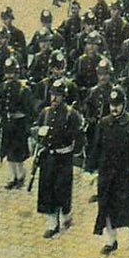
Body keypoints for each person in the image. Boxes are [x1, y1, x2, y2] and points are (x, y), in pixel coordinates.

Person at [88, 86, 129, 255]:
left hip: (125, 175)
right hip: (107, 175)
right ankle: (111, 240)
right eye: (111, 105)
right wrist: (90, 169)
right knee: (105, 208)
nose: (114, 108)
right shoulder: (104, 123)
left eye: (118, 105)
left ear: (124, 105)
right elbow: (96, 147)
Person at [33, 79, 85, 238]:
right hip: (48, 157)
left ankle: (65, 215)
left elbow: (80, 135)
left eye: (58, 95)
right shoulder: (45, 112)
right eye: (52, 95)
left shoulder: (71, 114)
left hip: (63, 157)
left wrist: (75, 153)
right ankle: (51, 223)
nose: (54, 98)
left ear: (64, 97)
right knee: (47, 187)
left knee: (62, 188)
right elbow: (38, 129)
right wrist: (37, 138)